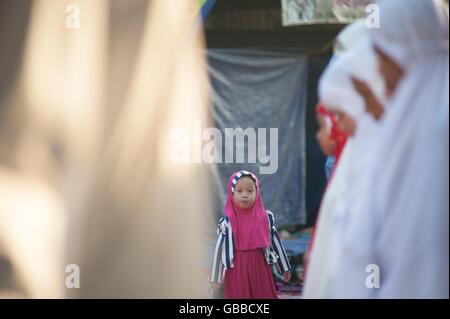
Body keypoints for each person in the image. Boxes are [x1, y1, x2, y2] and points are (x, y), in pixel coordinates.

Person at [210, 170, 291, 299]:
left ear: (257, 193)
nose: (244, 195)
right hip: (237, 269)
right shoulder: (228, 223)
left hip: (260, 267)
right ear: (232, 194)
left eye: (250, 191)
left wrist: (284, 267)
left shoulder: (265, 218)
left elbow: (275, 242)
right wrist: (215, 278)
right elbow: (219, 250)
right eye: (239, 191)